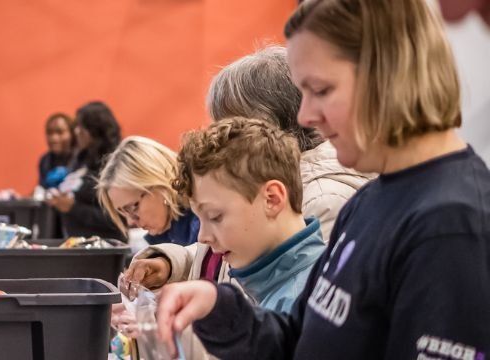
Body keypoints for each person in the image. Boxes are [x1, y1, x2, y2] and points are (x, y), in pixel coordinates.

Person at [157, 1, 490, 358]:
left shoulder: (450, 223)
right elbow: (301, 339)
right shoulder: (373, 198)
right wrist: (219, 309)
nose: (305, 116)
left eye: (322, 90)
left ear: (387, 77)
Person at [117, 119, 326, 359]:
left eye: (215, 217)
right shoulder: (265, 281)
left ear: (272, 199)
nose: (203, 237)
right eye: (200, 219)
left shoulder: (306, 300)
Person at [207, 45, 371, 239]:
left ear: (273, 122)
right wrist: (173, 260)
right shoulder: (264, 179)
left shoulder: (322, 199)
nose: (222, 140)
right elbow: (217, 253)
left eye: (233, 127)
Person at [97, 136, 198, 246]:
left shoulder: (202, 223)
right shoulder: (163, 234)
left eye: (133, 207)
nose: (130, 221)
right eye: (122, 212)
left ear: (160, 184)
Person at [46, 101, 126, 241]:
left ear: (95, 131)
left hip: (105, 248)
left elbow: (118, 220)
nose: (76, 131)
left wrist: (74, 208)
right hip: (77, 244)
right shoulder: (81, 159)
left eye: (81, 127)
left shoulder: (114, 164)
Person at [38, 112, 75, 189]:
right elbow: (42, 189)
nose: (54, 138)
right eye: (49, 133)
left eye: (60, 132)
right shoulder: (45, 160)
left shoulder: (81, 159)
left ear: (72, 133)